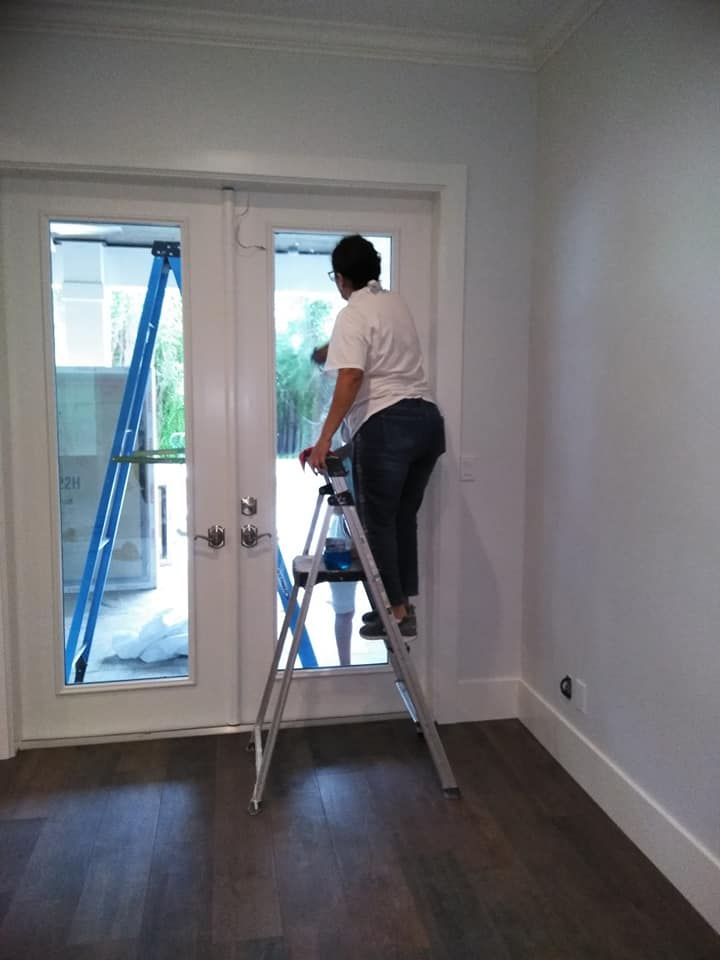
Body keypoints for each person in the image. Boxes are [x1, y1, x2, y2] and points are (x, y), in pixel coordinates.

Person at [307, 234, 445, 638]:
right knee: (402, 518)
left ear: (342, 278)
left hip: (388, 427)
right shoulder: (394, 303)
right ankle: (404, 607)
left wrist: (324, 438)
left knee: (376, 524)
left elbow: (352, 375)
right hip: (426, 423)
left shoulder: (351, 313)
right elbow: (375, 341)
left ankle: (396, 611)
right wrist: (330, 348)